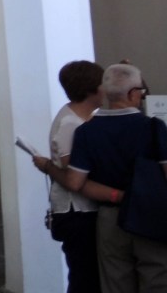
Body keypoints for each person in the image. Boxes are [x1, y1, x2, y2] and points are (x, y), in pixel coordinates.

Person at [59, 63, 167, 293]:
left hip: (110, 218)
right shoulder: (152, 128)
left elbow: (76, 182)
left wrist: (117, 195)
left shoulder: (86, 131)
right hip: (151, 215)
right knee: (157, 278)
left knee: (115, 281)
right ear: (133, 93)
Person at [31, 60, 105, 293]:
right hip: (77, 212)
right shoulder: (70, 123)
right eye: (103, 83)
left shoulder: (80, 118)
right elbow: (73, 175)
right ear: (91, 89)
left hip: (83, 210)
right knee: (84, 276)